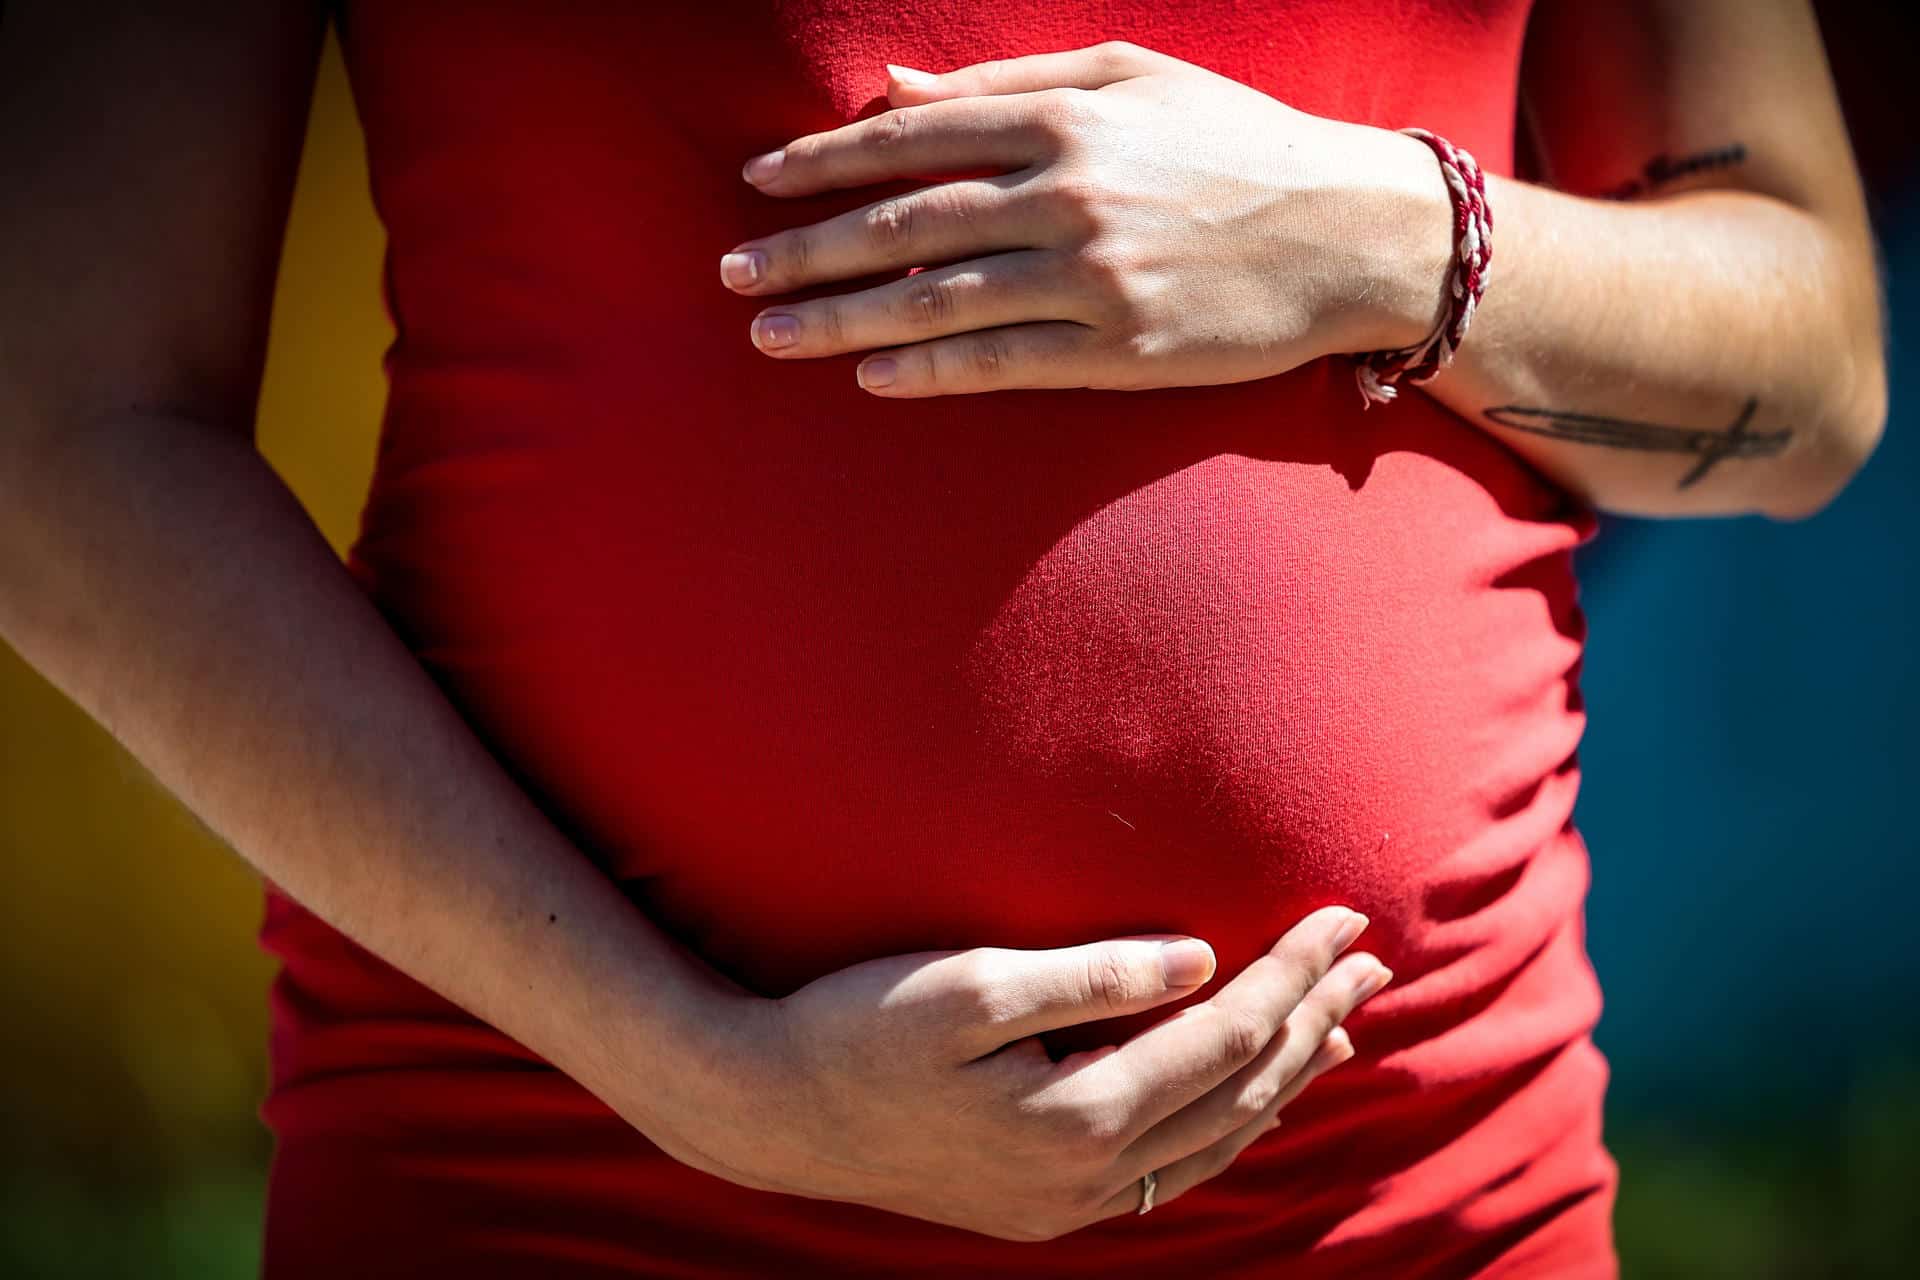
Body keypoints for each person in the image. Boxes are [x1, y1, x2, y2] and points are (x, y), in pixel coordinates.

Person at [0, 0, 1884, 1275]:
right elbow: (57, 431)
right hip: (563, 1170)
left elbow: (1815, 373)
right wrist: (692, 1067)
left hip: (1408, 1182)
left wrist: (1380, 236)